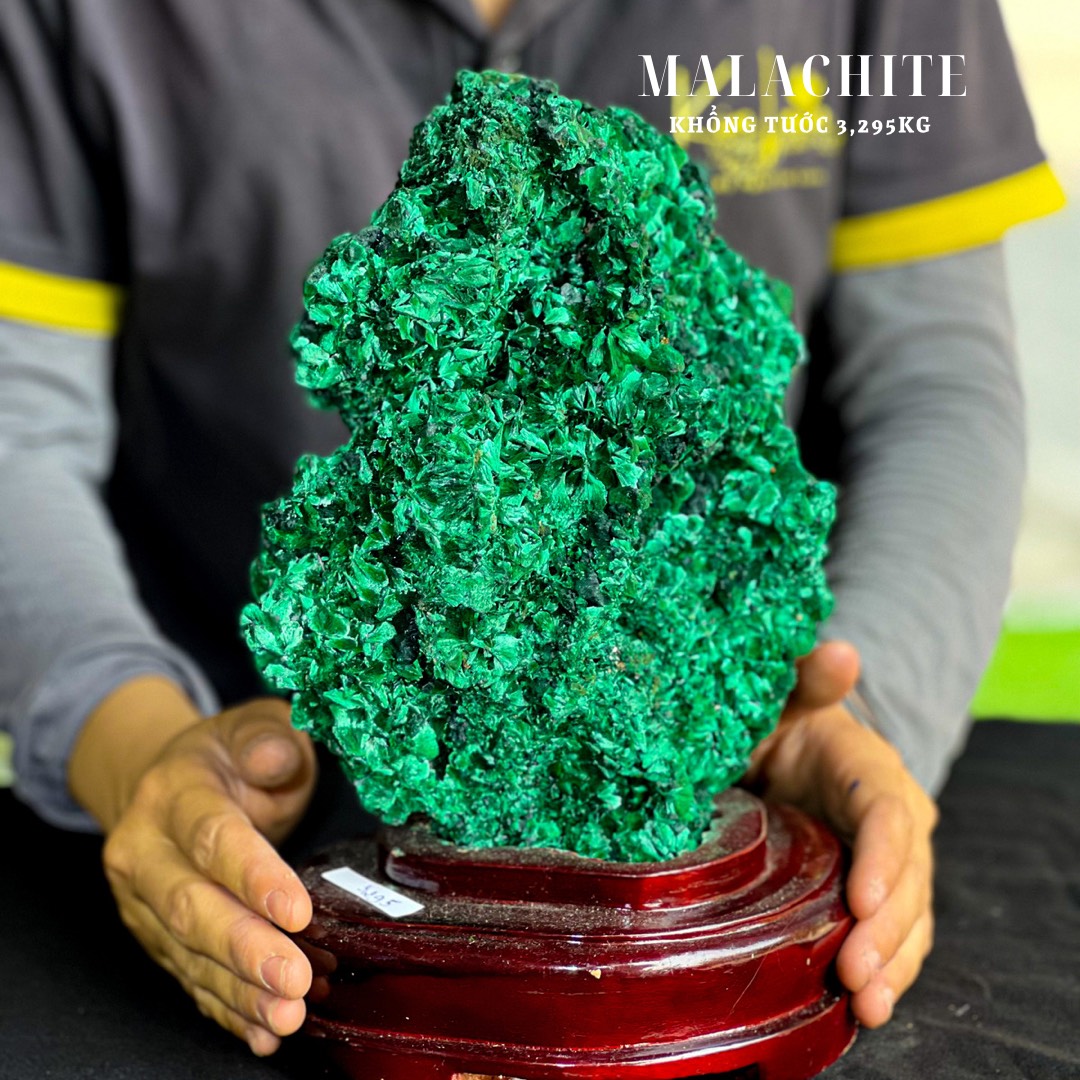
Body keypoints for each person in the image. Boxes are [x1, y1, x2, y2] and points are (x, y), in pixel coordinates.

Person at [0, 0, 1064, 1060]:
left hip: (702, 719)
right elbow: (16, 422)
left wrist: (863, 713)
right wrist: (131, 744)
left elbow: (938, 385)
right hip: (257, 747)